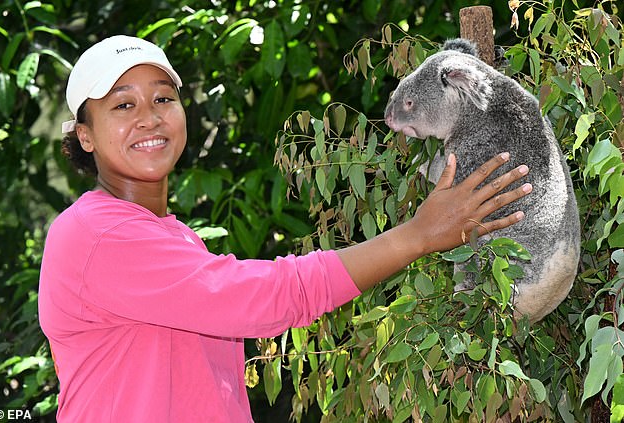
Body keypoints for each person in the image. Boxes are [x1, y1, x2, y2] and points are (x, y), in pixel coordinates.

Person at [38, 35, 532, 422]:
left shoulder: (173, 237)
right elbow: (259, 297)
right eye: (123, 105)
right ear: (84, 134)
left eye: (163, 98)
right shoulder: (94, 235)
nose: (149, 118)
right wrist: (417, 235)